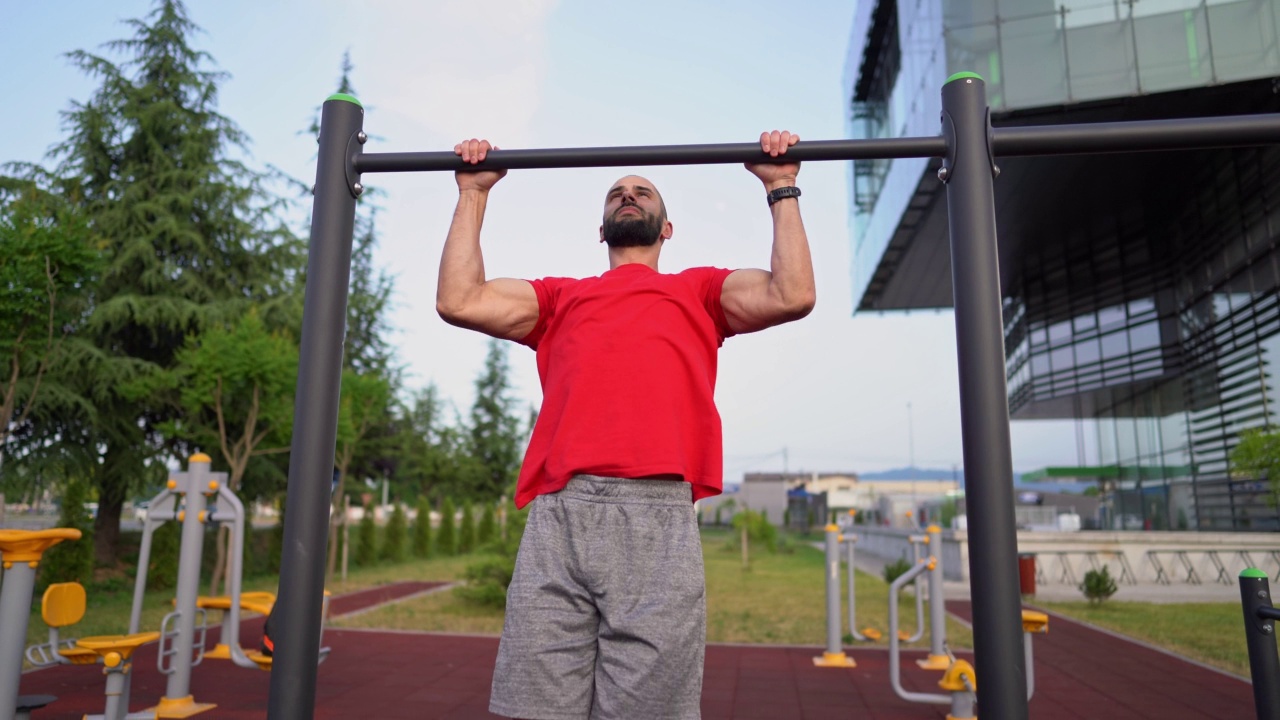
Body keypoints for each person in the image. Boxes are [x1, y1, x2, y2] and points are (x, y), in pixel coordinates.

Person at [437, 131, 815, 720]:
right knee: (533, 707)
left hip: (657, 515)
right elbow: (459, 299)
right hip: (562, 511)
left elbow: (792, 293)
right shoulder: (561, 298)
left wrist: (781, 186)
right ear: (601, 226)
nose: (628, 194)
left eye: (642, 191)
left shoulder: (699, 291)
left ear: (667, 228)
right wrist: (473, 194)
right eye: (617, 191)